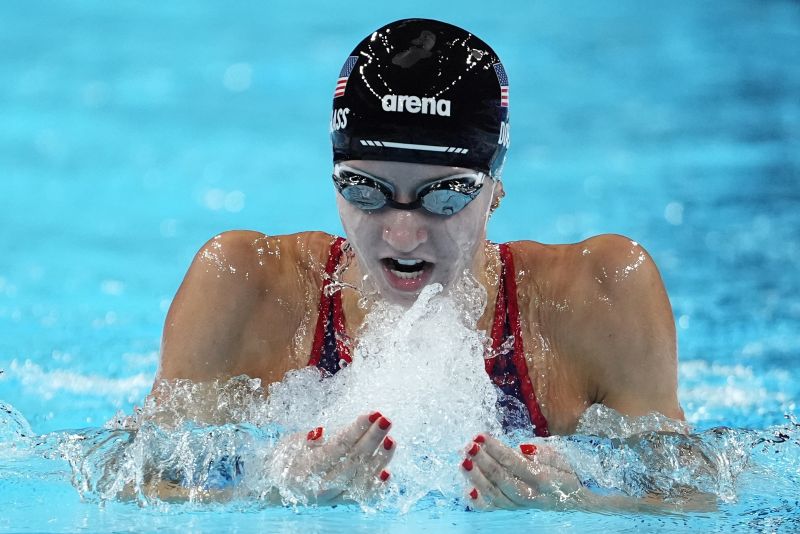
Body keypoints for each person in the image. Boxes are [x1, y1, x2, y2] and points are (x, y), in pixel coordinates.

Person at [153, 18, 684, 509]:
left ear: (494, 188)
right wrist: (266, 488)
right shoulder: (244, 284)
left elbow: (695, 497)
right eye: (365, 191)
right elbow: (124, 475)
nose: (401, 234)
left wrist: (585, 505)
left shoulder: (598, 296)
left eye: (444, 197)